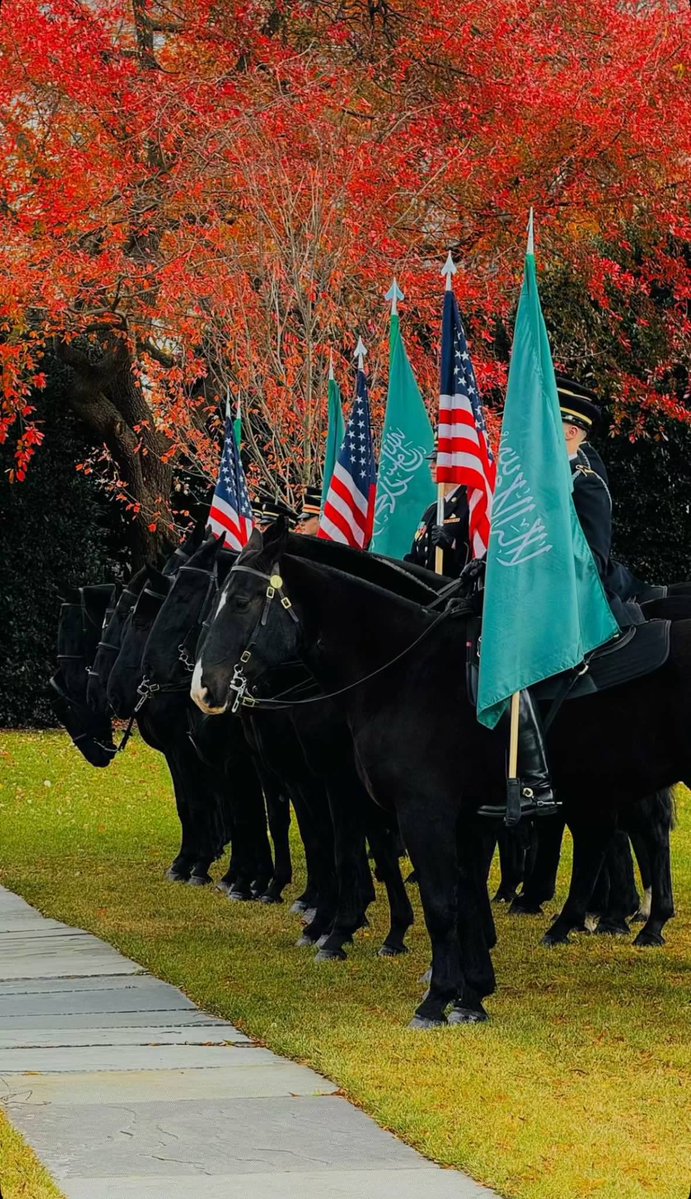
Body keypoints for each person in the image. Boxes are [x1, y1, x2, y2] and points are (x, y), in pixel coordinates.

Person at [557, 374, 644, 623]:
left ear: (571, 432)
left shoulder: (584, 483)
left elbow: (592, 560)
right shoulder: (542, 478)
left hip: (577, 603)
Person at [404, 443, 470, 575]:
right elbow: (416, 553)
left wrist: (452, 544)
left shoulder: (468, 506)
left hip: (452, 588)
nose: (431, 466)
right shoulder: (433, 509)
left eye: (437, 461)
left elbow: (478, 555)